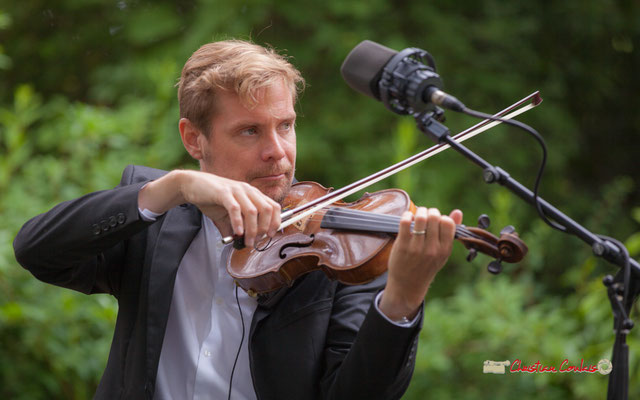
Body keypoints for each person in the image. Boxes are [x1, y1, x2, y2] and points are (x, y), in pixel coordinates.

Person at [13, 39, 463, 400]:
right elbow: (38, 252)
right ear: (194, 139)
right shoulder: (159, 218)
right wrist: (172, 188)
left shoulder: (339, 248)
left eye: (284, 125)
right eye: (250, 131)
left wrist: (403, 297)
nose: (277, 151)